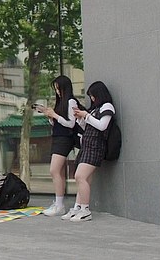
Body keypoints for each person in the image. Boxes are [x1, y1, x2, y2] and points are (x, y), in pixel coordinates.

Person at [62, 81, 115, 222]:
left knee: (80, 176)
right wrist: (81, 118)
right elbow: (88, 127)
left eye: (92, 95)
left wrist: (86, 115)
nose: (92, 98)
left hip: (96, 146)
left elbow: (102, 126)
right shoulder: (94, 109)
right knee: (83, 179)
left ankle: (85, 209)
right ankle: (78, 207)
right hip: (87, 145)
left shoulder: (107, 106)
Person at [39, 75, 81, 217]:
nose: (57, 91)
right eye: (55, 89)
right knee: (59, 171)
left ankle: (59, 205)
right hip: (58, 137)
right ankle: (59, 203)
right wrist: (51, 117)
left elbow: (71, 123)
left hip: (65, 139)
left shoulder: (70, 101)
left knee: (54, 170)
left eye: (58, 88)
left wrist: (55, 115)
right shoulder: (62, 102)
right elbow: (59, 123)